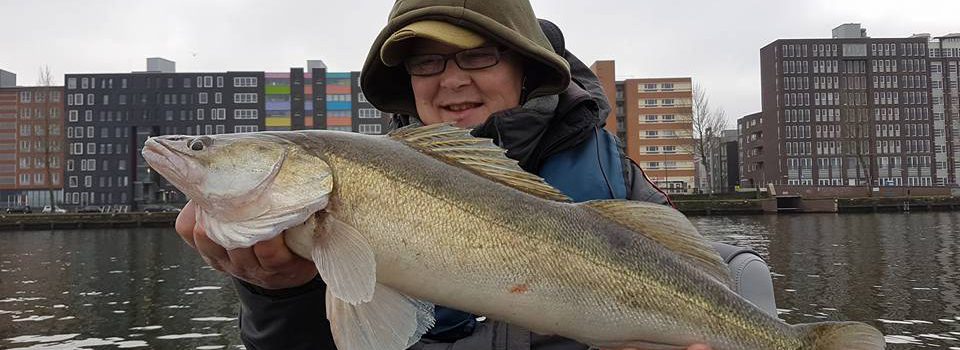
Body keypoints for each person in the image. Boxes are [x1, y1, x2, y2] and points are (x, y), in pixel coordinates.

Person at [175, 0, 775, 349]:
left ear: (526, 68)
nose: (450, 79)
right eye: (426, 62)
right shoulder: (340, 215)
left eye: (478, 55)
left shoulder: (674, 233)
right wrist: (280, 297)